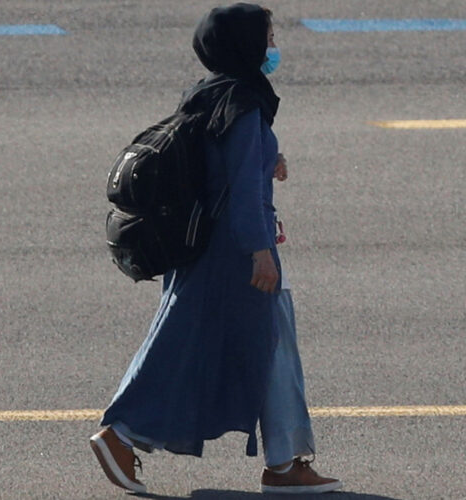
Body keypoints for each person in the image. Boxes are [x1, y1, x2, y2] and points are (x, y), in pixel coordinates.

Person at [90, 4, 342, 495]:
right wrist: (259, 251)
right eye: (268, 38)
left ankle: (286, 462)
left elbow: (221, 164)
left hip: (208, 243)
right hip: (235, 251)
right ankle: (120, 432)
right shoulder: (245, 102)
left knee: (268, 344)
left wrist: (271, 157)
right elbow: (243, 187)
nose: (273, 48)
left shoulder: (211, 93)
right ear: (246, 44)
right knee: (185, 341)